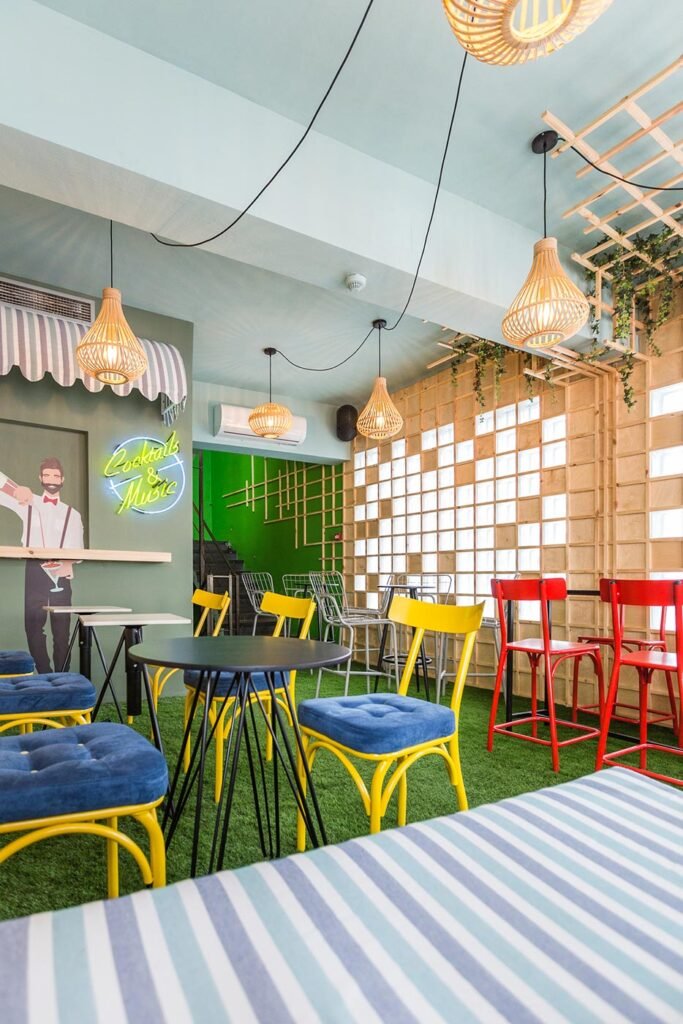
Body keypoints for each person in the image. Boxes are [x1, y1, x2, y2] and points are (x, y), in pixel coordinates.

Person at [0, 458, 84, 672]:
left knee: (61, 631)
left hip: (60, 572)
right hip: (34, 570)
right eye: (47, 475)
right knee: (33, 626)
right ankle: (45, 674)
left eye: (55, 476)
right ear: (40, 478)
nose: (51, 480)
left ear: (62, 479)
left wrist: (68, 563)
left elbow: (78, 549)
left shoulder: (72, 514)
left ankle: (62, 675)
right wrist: (15, 490)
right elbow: (2, 488)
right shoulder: (29, 503)